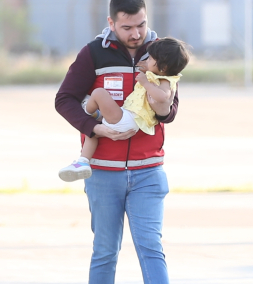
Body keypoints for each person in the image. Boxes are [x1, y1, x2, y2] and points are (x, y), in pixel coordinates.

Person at [55, 0, 198, 284]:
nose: (136, 34)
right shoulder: (93, 54)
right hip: (103, 173)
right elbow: (64, 99)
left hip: (149, 172)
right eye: (127, 27)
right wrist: (94, 128)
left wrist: (163, 107)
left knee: (151, 247)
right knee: (105, 250)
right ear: (111, 23)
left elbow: (171, 108)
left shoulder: (163, 51)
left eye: (141, 25)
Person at [59, 37, 190, 182]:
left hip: (129, 119)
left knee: (99, 94)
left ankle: (87, 110)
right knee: (93, 132)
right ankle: (83, 161)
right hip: (128, 119)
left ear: (163, 67)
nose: (146, 60)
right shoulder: (158, 74)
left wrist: (145, 83)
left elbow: (163, 96)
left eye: (150, 59)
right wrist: (148, 69)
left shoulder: (166, 81)